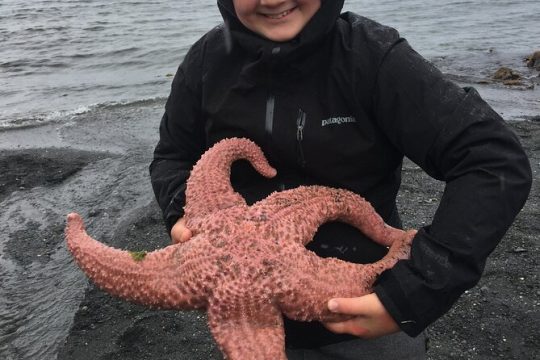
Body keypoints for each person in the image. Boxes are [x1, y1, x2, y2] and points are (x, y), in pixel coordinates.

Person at [149, 0, 532, 358]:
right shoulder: (205, 62)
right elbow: (173, 155)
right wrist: (184, 211)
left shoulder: (372, 58)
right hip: (241, 310)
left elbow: (492, 159)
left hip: (366, 313)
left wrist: (413, 292)